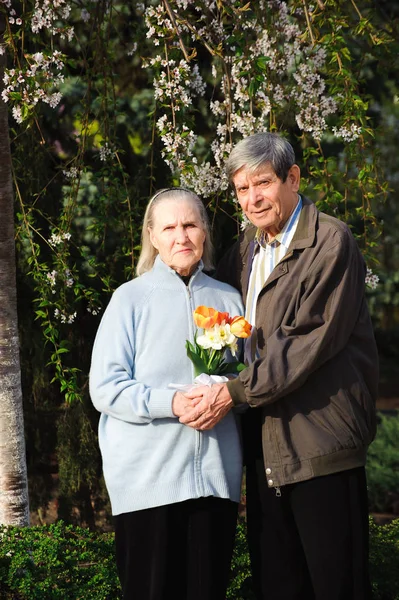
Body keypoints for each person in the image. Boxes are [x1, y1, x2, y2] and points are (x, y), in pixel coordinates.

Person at [180, 133, 379, 600]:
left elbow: (304, 346)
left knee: (338, 586)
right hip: (265, 448)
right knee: (279, 586)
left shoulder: (330, 242)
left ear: (292, 178)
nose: (252, 199)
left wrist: (230, 394)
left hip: (320, 443)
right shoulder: (244, 251)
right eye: (242, 189)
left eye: (263, 183)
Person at [89, 188, 244, 600]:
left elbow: (249, 377)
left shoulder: (230, 298)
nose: (182, 236)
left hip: (214, 482)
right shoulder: (130, 299)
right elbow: (105, 387)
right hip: (147, 485)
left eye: (191, 225)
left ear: (206, 233)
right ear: (152, 237)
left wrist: (226, 393)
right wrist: (171, 402)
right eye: (170, 227)